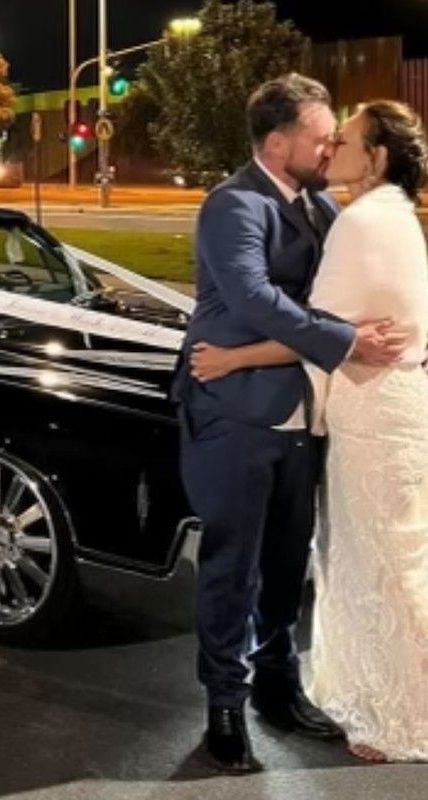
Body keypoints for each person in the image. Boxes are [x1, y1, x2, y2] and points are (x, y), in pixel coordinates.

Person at [171, 73, 404, 773]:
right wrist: (346, 339)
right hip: (235, 410)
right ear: (278, 143)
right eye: (320, 136)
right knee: (231, 568)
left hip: (305, 414)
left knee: (284, 565)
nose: (330, 146)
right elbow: (252, 297)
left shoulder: (320, 206)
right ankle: (224, 707)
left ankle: (278, 687)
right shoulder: (233, 205)